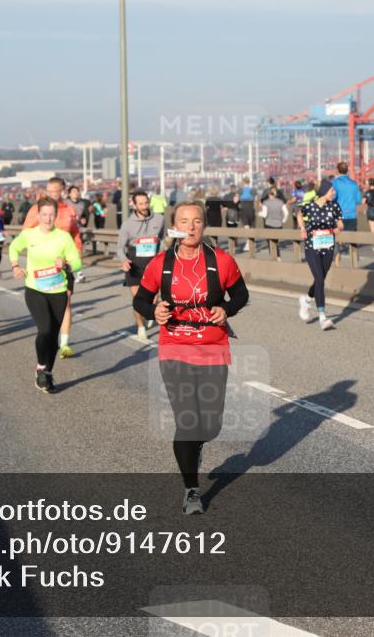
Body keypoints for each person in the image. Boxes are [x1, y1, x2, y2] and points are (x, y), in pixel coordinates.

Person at [132, 201, 248, 515]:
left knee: (209, 425)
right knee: (187, 421)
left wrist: (227, 308)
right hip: (174, 348)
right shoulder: (160, 264)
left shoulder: (221, 261)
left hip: (213, 348)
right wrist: (152, 311)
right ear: (175, 226)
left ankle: (195, 446)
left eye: (197, 221)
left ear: (204, 226)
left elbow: (241, 294)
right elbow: (142, 298)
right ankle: (192, 490)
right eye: (184, 221)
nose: (191, 226)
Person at [9, 197, 84, 394]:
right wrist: (15, 265)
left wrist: (66, 264)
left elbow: (77, 262)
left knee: (53, 337)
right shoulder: (29, 234)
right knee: (45, 329)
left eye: (51, 215)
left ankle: (47, 373)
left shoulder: (63, 237)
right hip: (35, 289)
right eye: (44, 215)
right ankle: (41, 366)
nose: (48, 219)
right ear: (38, 215)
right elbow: (13, 247)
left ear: (56, 216)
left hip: (58, 291)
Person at [24, 177, 82, 358]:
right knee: (48, 307)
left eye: (55, 190)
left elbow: (75, 236)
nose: (51, 194)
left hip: (64, 266)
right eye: (49, 190)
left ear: (63, 191)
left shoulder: (69, 210)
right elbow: (25, 234)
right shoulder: (36, 210)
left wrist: (76, 258)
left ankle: (64, 344)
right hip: (42, 268)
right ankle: (49, 335)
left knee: (66, 301)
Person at [116, 190, 166, 340]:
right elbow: (119, 248)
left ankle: (150, 312)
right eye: (141, 204)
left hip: (153, 263)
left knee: (153, 298)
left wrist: (162, 254)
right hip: (134, 263)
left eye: (146, 202)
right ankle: (140, 327)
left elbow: (162, 238)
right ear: (134, 205)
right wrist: (124, 260)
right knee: (138, 299)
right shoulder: (127, 224)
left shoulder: (159, 219)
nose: (144, 206)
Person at [297, 183, 343, 330]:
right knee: (320, 280)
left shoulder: (334, 206)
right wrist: (302, 228)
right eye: (331, 190)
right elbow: (299, 213)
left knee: (320, 278)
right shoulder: (310, 206)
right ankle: (323, 317)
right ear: (324, 192)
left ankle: (307, 299)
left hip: (328, 246)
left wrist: (338, 228)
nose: (334, 193)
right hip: (312, 246)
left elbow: (341, 223)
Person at [332, 162, 362, 263]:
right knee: (353, 242)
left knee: (336, 241)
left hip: (339, 216)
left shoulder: (335, 182)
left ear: (338, 170)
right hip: (352, 215)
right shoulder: (354, 183)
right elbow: (358, 200)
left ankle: (337, 266)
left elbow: (332, 198)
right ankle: (355, 265)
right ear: (347, 170)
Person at [259, 188, 289, 260]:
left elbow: (265, 214)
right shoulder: (281, 202)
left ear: (269, 194)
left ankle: (275, 256)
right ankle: (278, 256)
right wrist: (283, 220)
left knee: (270, 241)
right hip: (279, 224)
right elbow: (286, 213)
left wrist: (259, 213)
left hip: (269, 223)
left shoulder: (266, 202)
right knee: (276, 241)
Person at [363, 178, 374, 251]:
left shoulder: (367, 192)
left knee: (372, 228)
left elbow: (363, 202)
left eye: (367, 183)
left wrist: (367, 201)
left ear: (369, 184)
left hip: (371, 210)